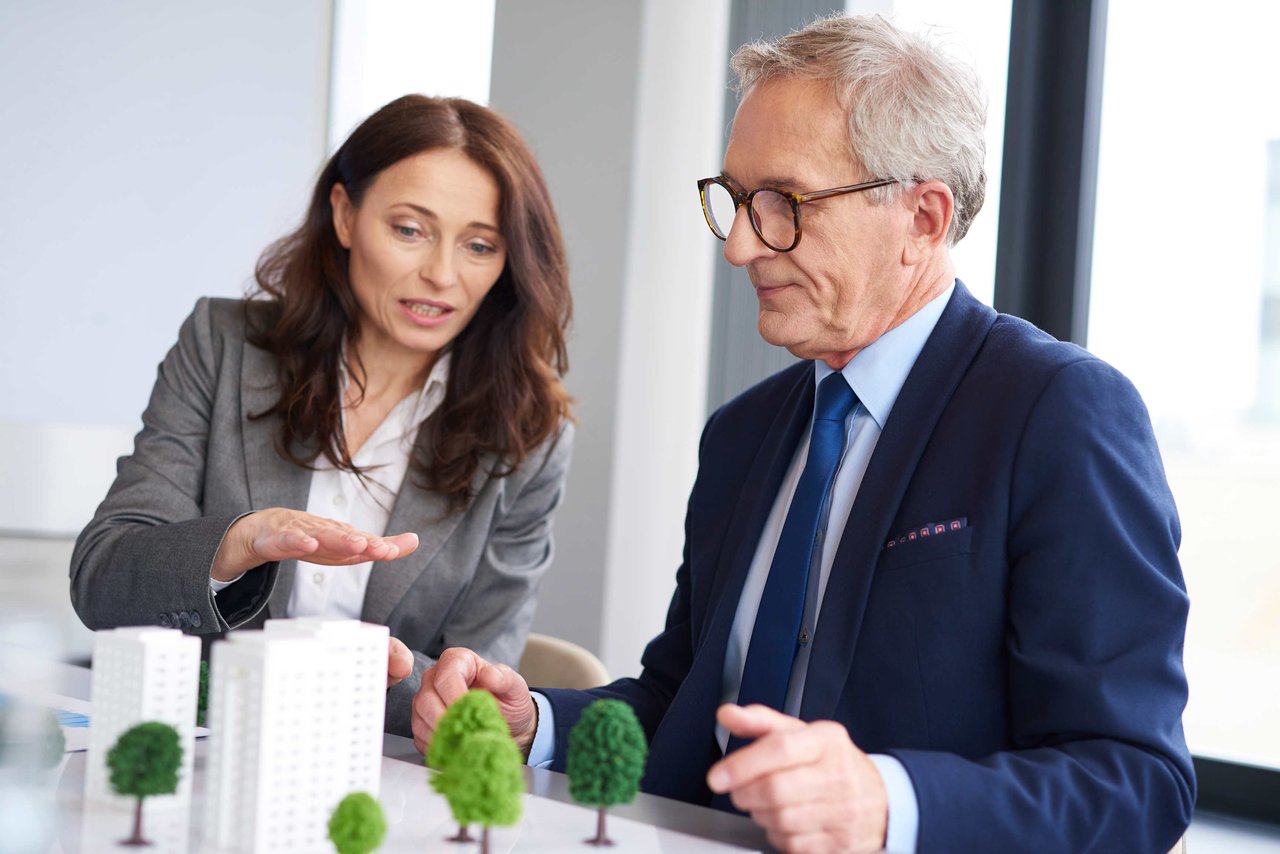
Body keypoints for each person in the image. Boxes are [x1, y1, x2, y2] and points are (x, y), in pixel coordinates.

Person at [413, 15, 1195, 853]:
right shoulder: (743, 435)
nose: (742, 246)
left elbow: (1136, 781)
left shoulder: (1058, 413)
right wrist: (535, 725)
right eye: (736, 201)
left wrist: (888, 803)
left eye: (784, 203)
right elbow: (682, 708)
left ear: (924, 218)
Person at [70, 95, 574, 737]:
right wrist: (236, 545)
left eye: (479, 245)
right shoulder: (224, 347)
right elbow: (102, 580)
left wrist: (353, 671)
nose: (442, 274)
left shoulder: (530, 434)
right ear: (344, 216)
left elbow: (475, 694)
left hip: (375, 782)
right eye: (410, 230)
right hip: (192, 756)